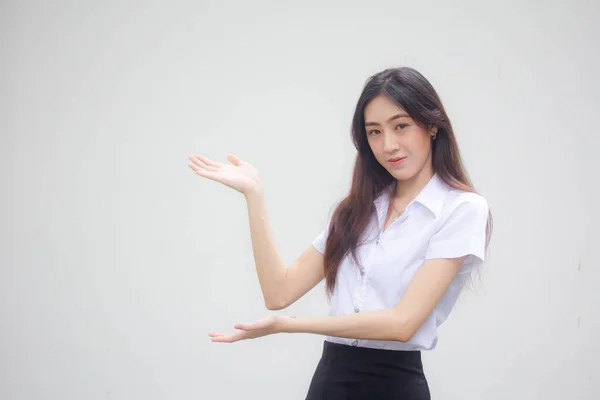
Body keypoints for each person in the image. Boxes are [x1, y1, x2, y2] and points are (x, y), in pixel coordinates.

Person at [188, 66, 492, 400]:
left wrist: (291, 325)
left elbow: (402, 324)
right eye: (374, 132)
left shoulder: (462, 209)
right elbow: (279, 292)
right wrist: (254, 195)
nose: (389, 145)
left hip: (395, 386)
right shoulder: (356, 210)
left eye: (401, 126)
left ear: (432, 126)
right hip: (330, 383)